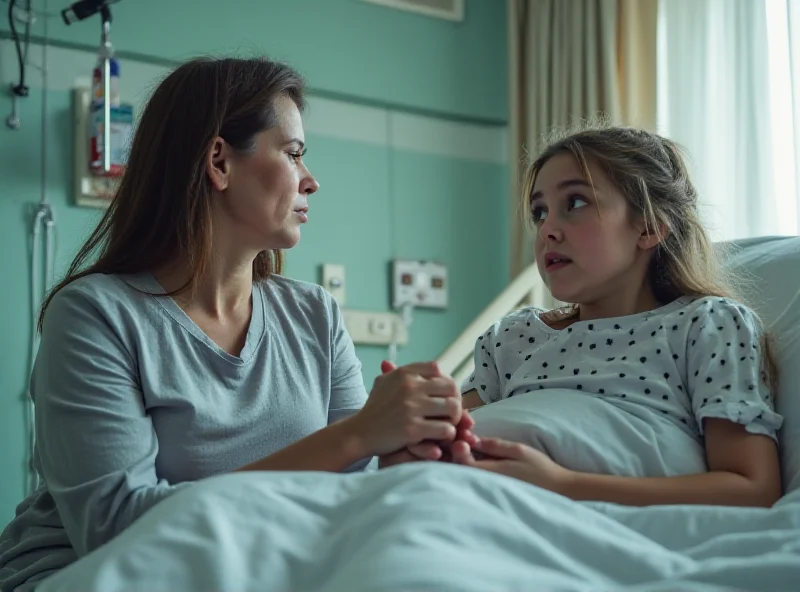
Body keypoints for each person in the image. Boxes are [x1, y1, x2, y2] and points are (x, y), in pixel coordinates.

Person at [0, 57, 475, 592]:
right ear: (219, 161)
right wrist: (359, 434)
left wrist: (403, 452)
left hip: (254, 568)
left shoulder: (315, 315)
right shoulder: (94, 316)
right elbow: (116, 530)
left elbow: (348, 485)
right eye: (294, 154)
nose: (311, 181)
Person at [448, 126, 784, 507]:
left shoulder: (707, 325)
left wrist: (562, 484)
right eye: (539, 213)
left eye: (575, 203)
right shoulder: (512, 337)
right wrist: (413, 414)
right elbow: (449, 438)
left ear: (650, 227)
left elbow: (752, 488)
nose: (547, 232)